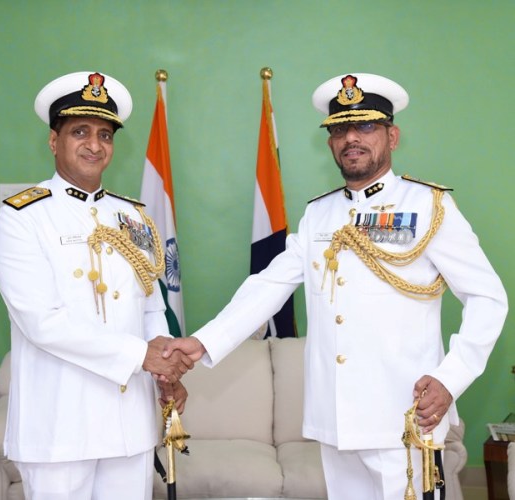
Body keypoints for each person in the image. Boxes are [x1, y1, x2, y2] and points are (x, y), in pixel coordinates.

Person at [164, 73, 508, 499]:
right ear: (330, 142)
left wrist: (450, 379)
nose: (351, 138)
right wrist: (202, 342)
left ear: (392, 136)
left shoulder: (428, 207)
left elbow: (488, 298)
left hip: (403, 416)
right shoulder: (319, 214)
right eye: (340, 130)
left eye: (365, 126)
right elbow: (269, 285)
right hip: (335, 421)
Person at [0, 71, 192, 500]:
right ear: (54, 141)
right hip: (60, 426)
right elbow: (41, 322)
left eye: (105, 135)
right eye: (79, 131)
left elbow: (151, 306)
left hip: (128, 424)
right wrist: (142, 356)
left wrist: (165, 369)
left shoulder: (132, 217)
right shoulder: (22, 216)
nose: (95, 145)